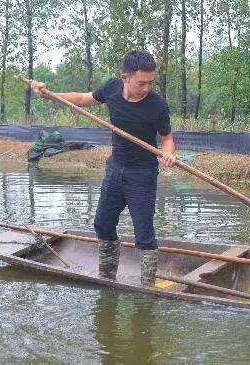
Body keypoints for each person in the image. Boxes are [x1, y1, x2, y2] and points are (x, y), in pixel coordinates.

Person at [30, 50, 177, 286]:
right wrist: (48, 95)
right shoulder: (111, 88)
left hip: (142, 174)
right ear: (125, 77)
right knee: (102, 223)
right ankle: (107, 276)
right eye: (141, 83)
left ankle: (148, 287)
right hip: (115, 169)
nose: (146, 88)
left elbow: (167, 137)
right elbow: (80, 99)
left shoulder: (156, 105)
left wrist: (168, 153)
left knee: (144, 234)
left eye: (150, 83)